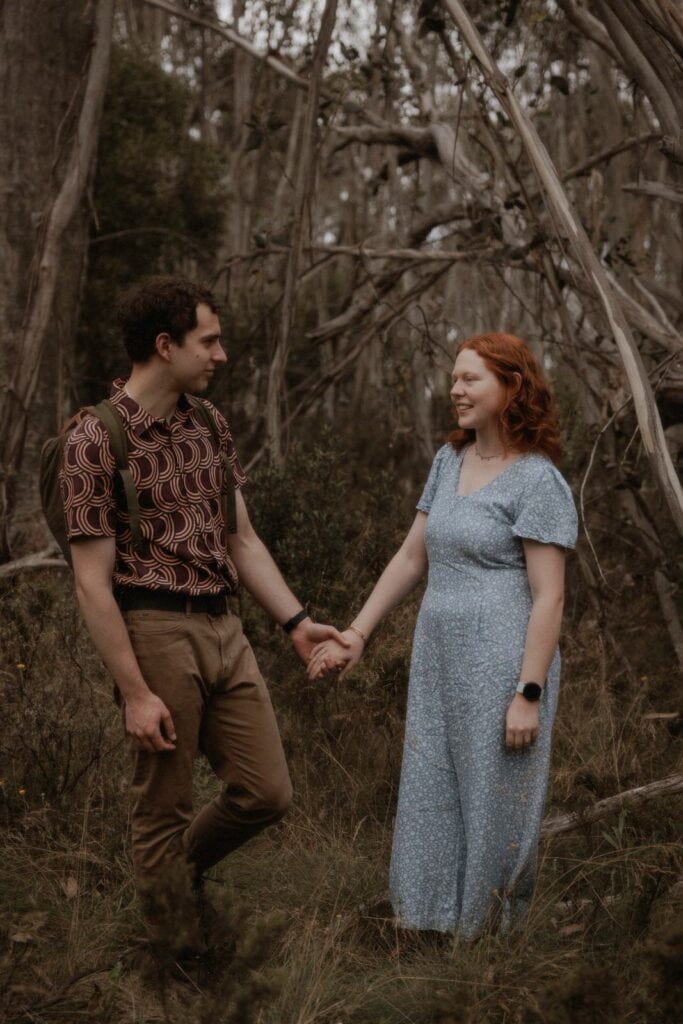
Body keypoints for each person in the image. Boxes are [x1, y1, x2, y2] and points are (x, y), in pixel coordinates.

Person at [61, 276, 348, 945]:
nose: (221, 355)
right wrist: (134, 693)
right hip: (154, 629)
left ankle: (165, 892)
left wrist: (298, 625)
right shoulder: (93, 441)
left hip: (226, 628)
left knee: (266, 794)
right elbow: (90, 585)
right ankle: (169, 959)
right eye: (208, 341)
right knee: (163, 806)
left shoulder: (209, 426)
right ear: (165, 346)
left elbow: (240, 539)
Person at [308, 332, 578, 939]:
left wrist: (527, 692)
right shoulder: (447, 460)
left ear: (511, 386)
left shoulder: (537, 480)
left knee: (494, 799)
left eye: (470, 379)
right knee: (433, 786)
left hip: (505, 663)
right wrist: (357, 633)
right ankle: (427, 927)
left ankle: (489, 942)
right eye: (453, 378)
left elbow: (550, 596)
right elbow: (411, 557)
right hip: (438, 659)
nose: (454, 389)